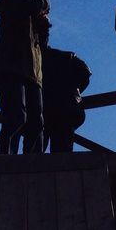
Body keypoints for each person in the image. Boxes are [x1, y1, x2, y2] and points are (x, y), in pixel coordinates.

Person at [0, 0, 55, 154]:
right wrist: (43, 2)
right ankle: (6, 160)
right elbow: (29, 6)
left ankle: (33, 161)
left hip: (34, 73)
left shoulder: (30, 7)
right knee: (15, 117)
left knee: (37, 121)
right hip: (13, 67)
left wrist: (43, 28)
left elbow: (42, 47)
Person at [37, 23, 92, 152]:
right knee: (62, 154)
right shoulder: (66, 57)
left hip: (46, 113)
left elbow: (85, 72)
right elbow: (85, 72)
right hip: (65, 112)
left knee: (36, 156)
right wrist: (75, 90)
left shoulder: (36, 62)